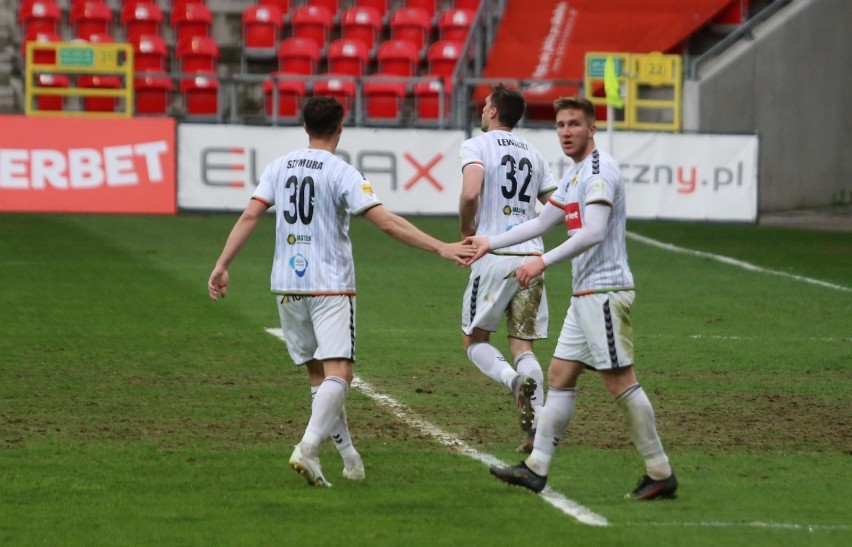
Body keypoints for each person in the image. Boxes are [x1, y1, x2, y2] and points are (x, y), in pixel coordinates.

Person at [208, 96, 474, 488]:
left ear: (304, 126)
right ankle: (309, 447)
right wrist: (441, 246)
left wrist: (222, 263)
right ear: (341, 127)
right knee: (341, 372)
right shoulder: (343, 172)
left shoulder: (278, 166)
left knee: (319, 376)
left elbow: (251, 214)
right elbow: (386, 223)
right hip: (330, 285)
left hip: (286, 284)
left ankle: (350, 458)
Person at [465, 96, 677, 500]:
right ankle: (536, 468)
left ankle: (660, 470)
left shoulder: (598, 171)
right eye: (561, 124)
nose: (565, 131)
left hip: (605, 292)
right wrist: (489, 241)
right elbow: (543, 220)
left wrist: (541, 262)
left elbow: (594, 231)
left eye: (574, 124)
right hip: (586, 296)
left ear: (591, 129)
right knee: (560, 376)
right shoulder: (576, 173)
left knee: (619, 383)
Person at [458, 84, 557, 452]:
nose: (482, 110)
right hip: (532, 258)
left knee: (474, 341)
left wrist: (467, 230)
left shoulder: (476, 145)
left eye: (485, 105)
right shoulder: (534, 153)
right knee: (523, 345)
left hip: (494, 255)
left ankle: (512, 381)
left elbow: (471, 192)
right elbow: (554, 206)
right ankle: (537, 431)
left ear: (495, 111)